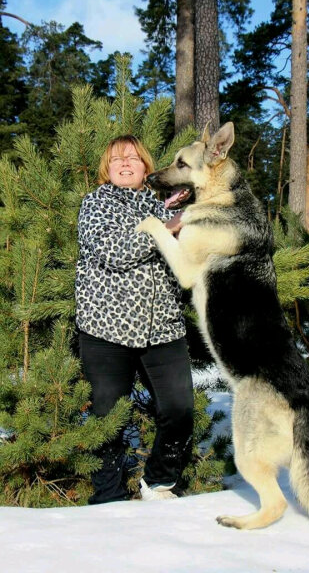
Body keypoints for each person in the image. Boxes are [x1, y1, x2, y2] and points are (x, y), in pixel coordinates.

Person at [75, 134, 194, 505]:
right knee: (108, 418)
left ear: (146, 166)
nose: (124, 165)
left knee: (179, 409)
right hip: (106, 328)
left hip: (164, 328)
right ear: (106, 169)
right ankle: (107, 499)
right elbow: (115, 252)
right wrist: (167, 228)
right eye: (116, 160)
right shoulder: (96, 204)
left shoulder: (163, 204)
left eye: (132, 159)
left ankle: (159, 482)